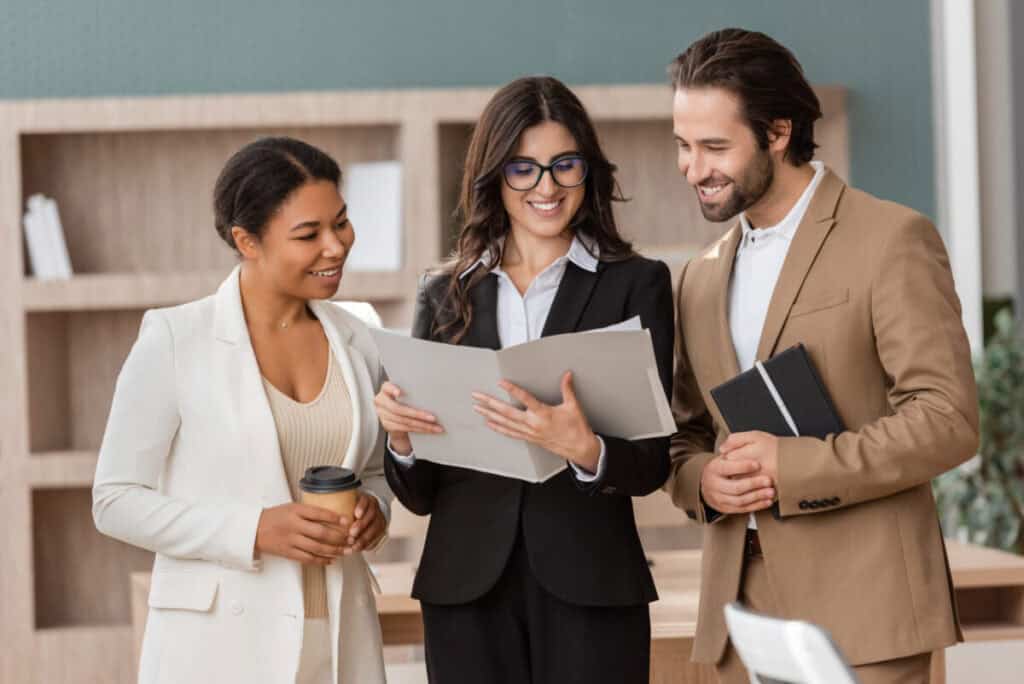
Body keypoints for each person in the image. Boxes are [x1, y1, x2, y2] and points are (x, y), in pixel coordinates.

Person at [665, 28, 979, 684]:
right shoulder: (699, 275)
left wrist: (798, 465)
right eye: (683, 147)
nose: (694, 169)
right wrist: (701, 481)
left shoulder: (891, 239)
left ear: (778, 132)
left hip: (865, 609)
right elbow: (685, 435)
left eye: (715, 147)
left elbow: (948, 419)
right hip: (737, 615)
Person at [373, 75, 674, 684]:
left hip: (591, 582)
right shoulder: (445, 291)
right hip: (465, 587)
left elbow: (651, 463)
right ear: (495, 177)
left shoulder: (636, 284)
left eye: (565, 165)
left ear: (588, 171)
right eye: (523, 169)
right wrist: (401, 440)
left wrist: (584, 450)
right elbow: (422, 494)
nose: (547, 187)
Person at [92, 137, 392, 684]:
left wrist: (376, 508)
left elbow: (372, 469)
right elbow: (114, 501)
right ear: (246, 240)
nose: (337, 246)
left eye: (341, 223)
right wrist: (252, 530)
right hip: (219, 644)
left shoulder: (362, 335)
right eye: (308, 234)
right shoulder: (176, 338)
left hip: (339, 634)